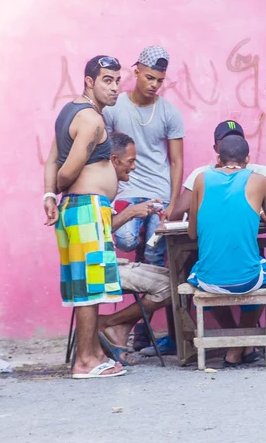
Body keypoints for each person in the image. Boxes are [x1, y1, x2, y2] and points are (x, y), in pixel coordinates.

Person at [43, 55, 126, 379]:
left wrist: (49, 195)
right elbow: (66, 171)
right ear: (89, 81)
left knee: (86, 289)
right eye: (107, 80)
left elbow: (51, 161)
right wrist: (59, 186)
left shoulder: (68, 112)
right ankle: (86, 362)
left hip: (77, 209)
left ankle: (90, 355)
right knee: (91, 290)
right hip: (87, 209)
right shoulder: (92, 121)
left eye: (118, 80)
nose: (115, 87)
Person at [103, 45, 184, 354]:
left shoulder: (168, 112)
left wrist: (174, 204)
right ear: (135, 71)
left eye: (160, 81)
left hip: (159, 195)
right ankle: (133, 328)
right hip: (124, 191)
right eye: (150, 77)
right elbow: (106, 155)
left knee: (152, 259)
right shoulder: (114, 108)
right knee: (124, 241)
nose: (154, 85)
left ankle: (139, 329)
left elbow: (176, 162)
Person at [187, 135, 266, 367]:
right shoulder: (260, 181)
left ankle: (235, 342)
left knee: (198, 272)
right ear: (248, 159)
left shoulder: (201, 179)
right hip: (247, 280)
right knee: (259, 268)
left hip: (209, 281)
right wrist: (261, 212)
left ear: (218, 159)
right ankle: (239, 344)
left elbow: (192, 234)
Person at [96, 132, 173, 365]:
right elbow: (97, 233)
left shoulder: (107, 186)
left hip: (107, 262)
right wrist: (131, 212)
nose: (134, 167)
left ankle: (117, 327)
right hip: (98, 267)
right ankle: (108, 323)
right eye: (130, 161)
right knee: (173, 286)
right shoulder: (100, 188)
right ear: (113, 160)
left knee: (175, 279)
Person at [171, 119, 266, 218]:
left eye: (237, 140)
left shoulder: (262, 173)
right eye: (226, 141)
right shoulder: (202, 174)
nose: (232, 145)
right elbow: (176, 214)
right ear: (216, 149)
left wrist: (264, 199)